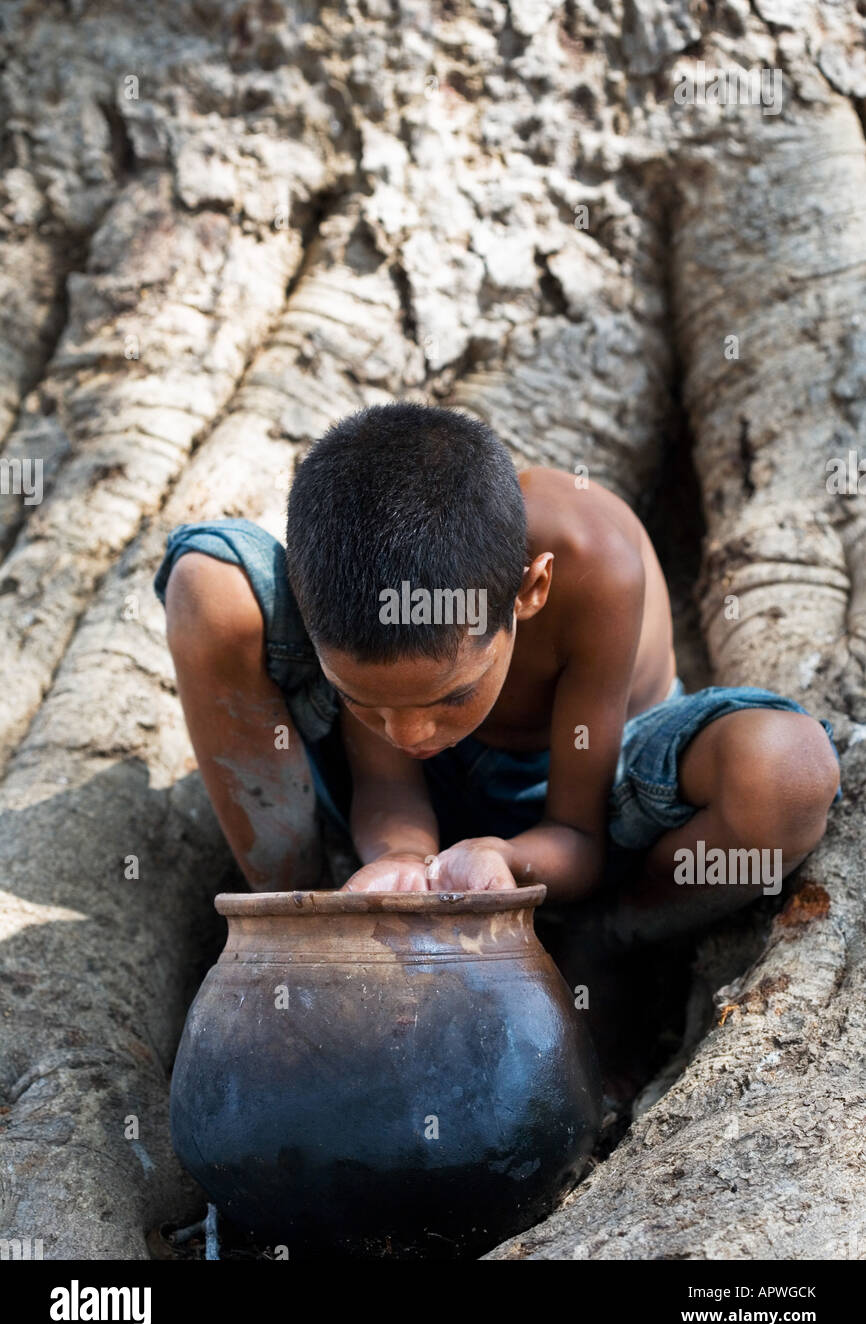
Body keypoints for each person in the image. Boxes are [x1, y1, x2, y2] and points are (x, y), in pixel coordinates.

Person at [154, 402, 841, 950]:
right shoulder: (356, 579)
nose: (411, 733)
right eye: (364, 700)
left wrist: (507, 860)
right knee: (208, 583)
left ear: (530, 592)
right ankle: (296, 927)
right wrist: (402, 860)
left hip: (595, 790)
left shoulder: (590, 561)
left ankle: (610, 946)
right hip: (414, 804)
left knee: (787, 774)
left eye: (449, 696)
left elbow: (577, 837)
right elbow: (389, 785)